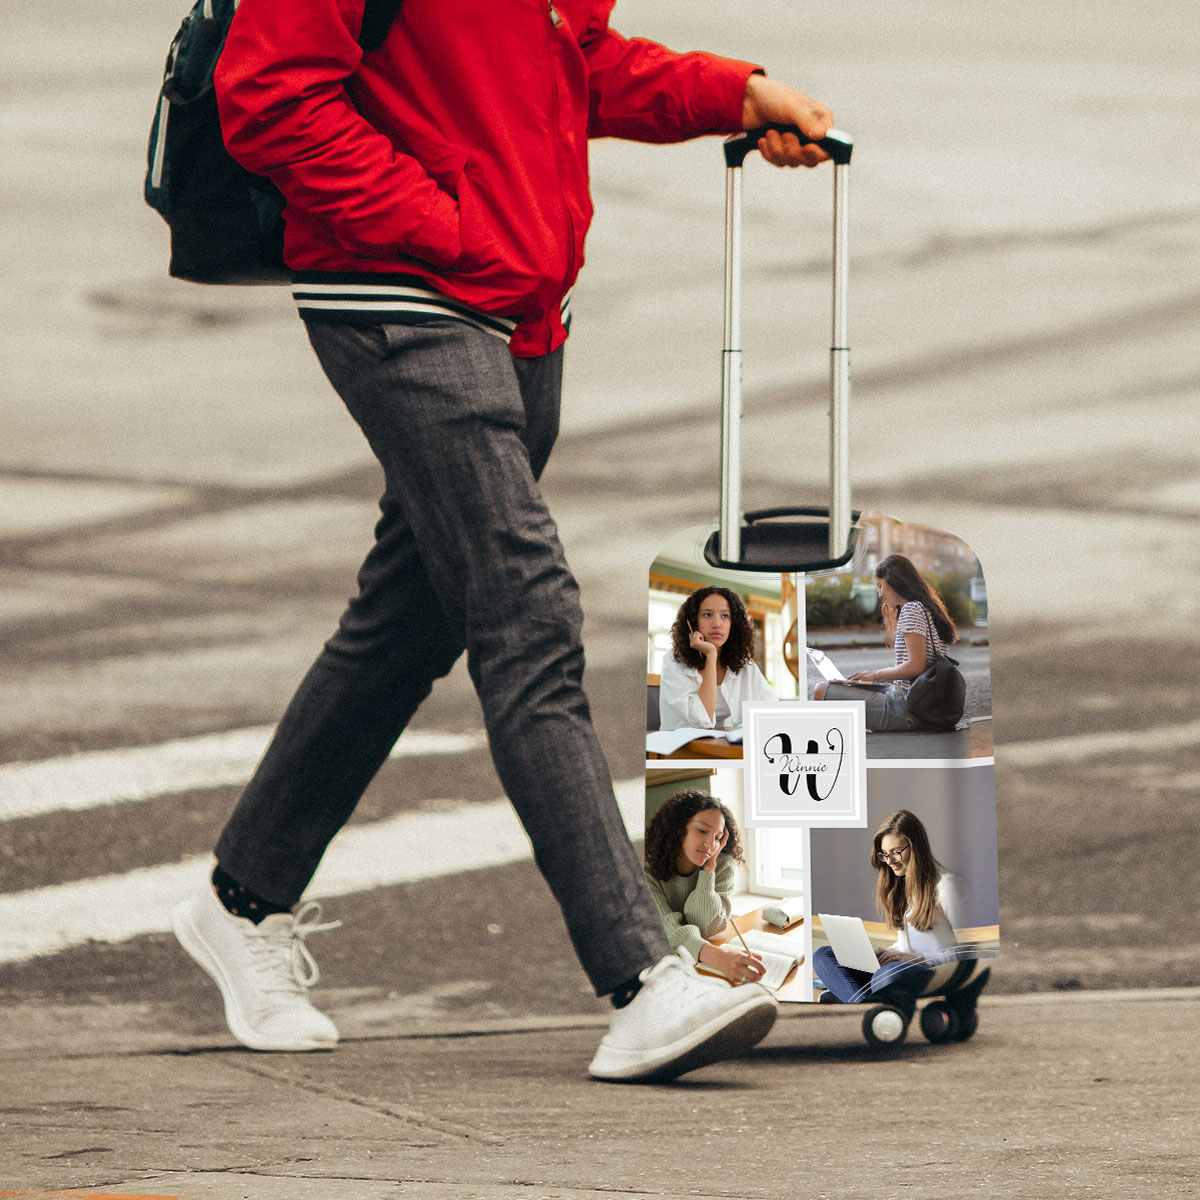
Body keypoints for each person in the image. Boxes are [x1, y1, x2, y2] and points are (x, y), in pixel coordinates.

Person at [169, 0, 837, 1082]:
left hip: (520, 304)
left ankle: (238, 899)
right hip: (400, 293)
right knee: (527, 613)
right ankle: (642, 980)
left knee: (408, 617)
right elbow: (271, 96)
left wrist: (734, 91)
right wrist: (446, 225)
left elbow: (568, 62)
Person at [813, 809, 968, 1004]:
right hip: (901, 969)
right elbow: (906, 945)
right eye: (884, 854)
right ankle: (865, 1004)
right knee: (823, 955)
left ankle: (852, 999)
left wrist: (916, 958)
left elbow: (969, 954)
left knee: (888, 973)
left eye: (895, 852)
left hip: (934, 973)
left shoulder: (947, 886)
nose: (889, 861)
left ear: (916, 847)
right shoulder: (903, 886)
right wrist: (885, 952)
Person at [813, 554, 959, 731]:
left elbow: (916, 667)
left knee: (821, 690)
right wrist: (874, 677)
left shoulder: (911, 609)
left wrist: (876, 674)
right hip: (922, 702)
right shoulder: (928, 608)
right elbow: (921, 668)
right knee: (852, 685)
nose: (880, 594)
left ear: (894, 581)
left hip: (909, 709)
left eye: (880, 586)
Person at [643, 790, 766, 985]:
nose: (711, 844)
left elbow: (707, 927)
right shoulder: (645, 869)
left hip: (696, 964)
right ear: (677, 829)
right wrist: (719, 958)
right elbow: (666, 929)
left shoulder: (721, 865)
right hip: (663, 970)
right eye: (702, 830)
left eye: (718, 837)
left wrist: (708, 869)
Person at [658, 586, 776, 732]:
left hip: (726, 747)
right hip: (680, 748)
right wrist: (711, 655)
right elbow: (702, 721)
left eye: (725, 616)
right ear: (693, 622)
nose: (717, 624)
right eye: (707, 615)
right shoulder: (673, 662)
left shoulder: (745, 665)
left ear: (732, 624)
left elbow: (772, 709)